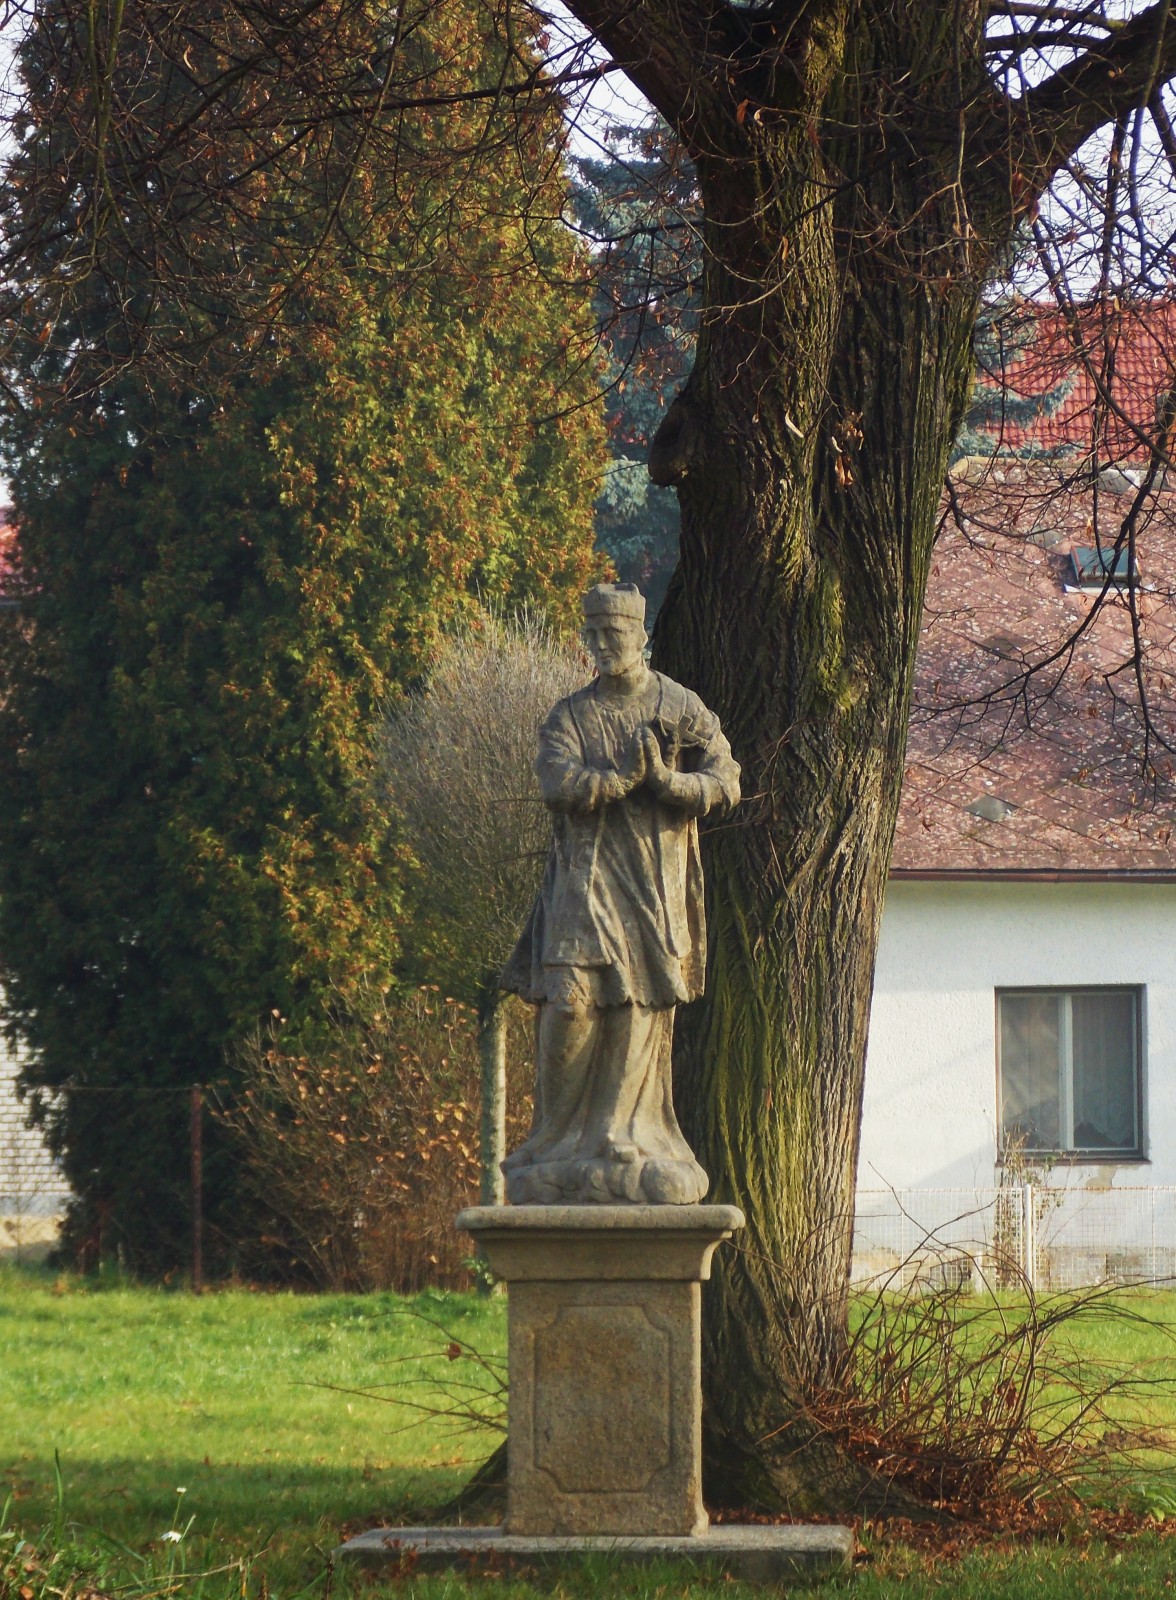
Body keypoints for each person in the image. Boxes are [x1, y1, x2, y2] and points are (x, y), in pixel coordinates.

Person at [501, 582, 741, 1204]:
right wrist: (618, 780)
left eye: (614, 633)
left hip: (654, 884)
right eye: (594, 634)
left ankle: (620, 1135)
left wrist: (669, 783)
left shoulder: (680, 706)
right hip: (582, 884)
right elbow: (556, 781)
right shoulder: (569, 716)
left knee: (637, 1002)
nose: (603, 644)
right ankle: (553, 1139)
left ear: (641, 636)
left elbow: (726, 779)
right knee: (569, 1006)